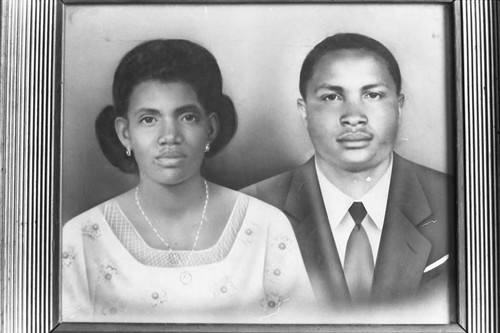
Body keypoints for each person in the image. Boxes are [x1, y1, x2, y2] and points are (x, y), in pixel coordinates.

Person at [62, 39, 315, 323]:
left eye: (187, 116)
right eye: (148, 119)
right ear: (124, 133)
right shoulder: (83, 238)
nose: (169, 136)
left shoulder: (265, 226)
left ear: (210, 128)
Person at [243, 33, 455, 322]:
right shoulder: (249, 210)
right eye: (332, 97)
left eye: (373, 95)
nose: (353, 116)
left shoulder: (462, 204)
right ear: (304, 112)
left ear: (399, 106)